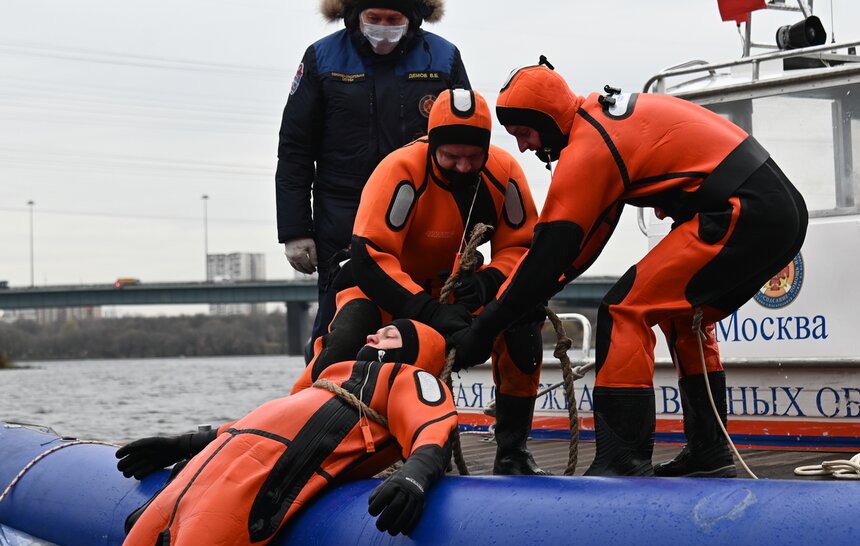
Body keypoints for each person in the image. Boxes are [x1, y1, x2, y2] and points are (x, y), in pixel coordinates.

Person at [451, 60, 808, 477]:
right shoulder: (604, 123)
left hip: (745, 210)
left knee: (623, 311)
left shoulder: (589, 144)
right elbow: (583, 246)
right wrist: (534, 294)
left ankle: (622, 462)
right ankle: (709, 455)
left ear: (547, 119)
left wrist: (484, 327)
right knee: (681, 317)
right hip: (774, 210)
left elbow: (551, 251)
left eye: (525, 134)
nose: (525, 148)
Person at [291, 87, 549, 475]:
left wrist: (488, 281)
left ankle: (512, 451)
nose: (463, 167)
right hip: (382, 287)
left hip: (457, 289)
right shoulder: (401, 170)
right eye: (451, 157)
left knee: (523, 320)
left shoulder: (504, 171)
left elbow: (522, 246)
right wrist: (427, 311)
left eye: (472, 157)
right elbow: (370, 256)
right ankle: (296, 436)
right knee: (345, 341)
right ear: (432, 145)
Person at [116, 319, 458, 546]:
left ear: (413, 353)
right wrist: (179, 445)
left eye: (389, 336)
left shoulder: (404, 378)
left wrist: (415, 476)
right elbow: (250, 425)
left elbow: (432, 425)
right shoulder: (328, 382)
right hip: (197, 477)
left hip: (246, 489)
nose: (373, 336)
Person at [276, 0, 470, 356]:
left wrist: (472, 222)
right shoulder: (322, 58)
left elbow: (467, 143)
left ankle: (419, 397)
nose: (383, 27)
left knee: (421, 317)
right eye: (374, 18)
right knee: (340, 320)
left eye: (392, 19)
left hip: (422, 216)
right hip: (343, 217)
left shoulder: (443, 58)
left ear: (411, 19)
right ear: (355, 16)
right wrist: (295, 230)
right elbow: (294, 150)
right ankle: (329, 393)